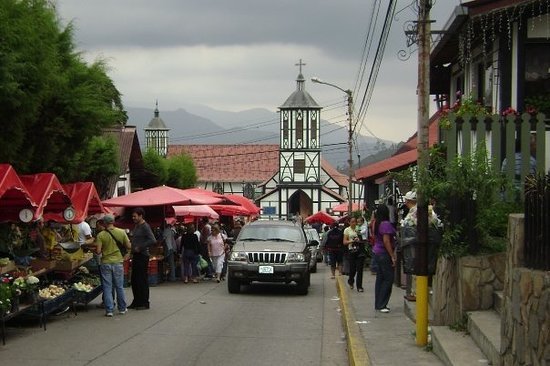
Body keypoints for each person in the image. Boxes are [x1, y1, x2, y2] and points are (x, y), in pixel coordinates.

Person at [94, 214, 131, 317]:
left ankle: (109, 310)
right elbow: (129, 246)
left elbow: (98, 251)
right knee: (119, 286)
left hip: (105, 263)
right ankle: (122, 308)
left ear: (105, 223)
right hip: (118, 262)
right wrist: (127, 254)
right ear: (113, 222)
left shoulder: (101, 235)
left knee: (107, 287)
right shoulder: (121, 232)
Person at [128, 207, 156, 310]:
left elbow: (152, 240)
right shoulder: (137, 226)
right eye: (132, 216)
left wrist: (140, 247)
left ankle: (144, 302)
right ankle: (136, 301)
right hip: (136, 255)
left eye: (135, 216)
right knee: (134, 279)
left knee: (141, 279)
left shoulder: (145, 226)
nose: (133, 218)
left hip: (142, 256)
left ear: (141, 216)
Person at [373, 204, 397, 313]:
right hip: (384, 252)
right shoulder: (386, 224)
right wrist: (392, 255)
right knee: (388, 279)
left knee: (380, 278)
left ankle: (378, 303)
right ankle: (382, 304)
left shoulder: (375, 223)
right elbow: (386, 241)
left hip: (377, 251)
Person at [401, 190, 417, 302]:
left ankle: (415, 292)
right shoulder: (413, 211)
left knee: (415, 268)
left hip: (413, 244)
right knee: (413, 268)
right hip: (412, 243)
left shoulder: (414, 212)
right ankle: (414, 291)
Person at [343, 217, 366, 292]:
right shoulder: (347, 230)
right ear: (349, 222)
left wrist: (359, 240)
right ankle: (351, 281)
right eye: (352, 222)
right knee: (352, 269)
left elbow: (363, 239)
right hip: (351, 251)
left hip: (359, 251)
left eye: (355, 222)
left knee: (360, 269)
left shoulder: (358, 229)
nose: (354, 223)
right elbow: (344, 242)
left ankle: (359, 286)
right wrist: (351, 241)